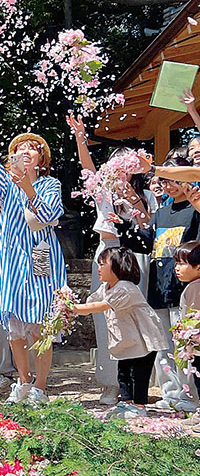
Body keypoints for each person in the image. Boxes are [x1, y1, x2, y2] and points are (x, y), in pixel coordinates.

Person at [0, 132, 66, 406]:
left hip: (40, 256)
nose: (25, 152)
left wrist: (29, 188)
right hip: (11, 259)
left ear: (41, 159)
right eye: (19, 149)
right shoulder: (8, 184)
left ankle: (41, 386)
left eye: (31, 149)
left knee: (40, 323)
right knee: (14, 326)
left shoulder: (50, 184)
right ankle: (23, 381)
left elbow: (49, 215)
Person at [66, 114, 154, 405]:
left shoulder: (146, 194)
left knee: (132, 318)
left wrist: (134, 200)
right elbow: (88, 169)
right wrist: (81, 137)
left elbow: (148, 227)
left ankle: (136, 385)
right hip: (107, 252)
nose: (123, 173)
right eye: (119, 167)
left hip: (133, 257)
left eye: (128, 168)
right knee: (106, 321)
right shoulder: (102, 192)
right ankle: (110, 383)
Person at [73, 247, 167, 418]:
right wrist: (71, 303)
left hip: (143, 338)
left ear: (118, 266)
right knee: (123, 372)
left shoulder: (126, 288)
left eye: (102, 264)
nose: (98, 268)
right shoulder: (106, 287)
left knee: (139, 373)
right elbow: (91, 302)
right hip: (127, 339)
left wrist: (74, 309)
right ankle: (126, 402)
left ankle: (139, 406)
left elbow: (99, 306)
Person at [143, 156, 200, 412]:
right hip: (158, 287)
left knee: (185, 344)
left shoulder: (195, 209)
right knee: (162, 347)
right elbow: (146, 242)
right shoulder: (162, 211)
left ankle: (190, 396)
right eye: (165, 179)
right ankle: (170, 393)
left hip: (185, 290)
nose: (170, 184)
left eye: (176, 178)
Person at [174, 241, 200, 428]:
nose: (177, 268)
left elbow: (193, 319)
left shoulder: (194, 287)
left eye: (183, 263)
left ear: (198, 267)